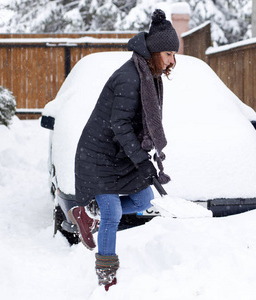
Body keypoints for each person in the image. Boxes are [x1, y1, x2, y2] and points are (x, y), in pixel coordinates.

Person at [68, 9, 179, 290]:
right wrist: (142, 160)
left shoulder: (148, 73)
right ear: (154, 51)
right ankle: (107, 276)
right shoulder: (130, 77)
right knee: (113, 213)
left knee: (144, 200)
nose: (172, 61)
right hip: (99, 154)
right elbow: (120, 124)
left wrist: (141, 159)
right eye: (168, 54)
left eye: (173, 54)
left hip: (120, 153)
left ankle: (88, 214)